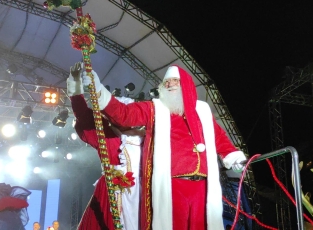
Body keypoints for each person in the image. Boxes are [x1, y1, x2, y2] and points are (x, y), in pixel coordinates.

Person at [83, 65, 247, 230]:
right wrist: (98, 90)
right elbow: (124, 114)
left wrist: (233, 156)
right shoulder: (155, 108)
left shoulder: (203, 111)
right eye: (166, 82)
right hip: (174, 187)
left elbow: (219, 137)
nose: (170, 84)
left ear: (186, 84)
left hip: (202, 188)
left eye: (175, 80)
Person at [67, 62, 144, 230]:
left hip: (143, 194)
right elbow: (82, 114)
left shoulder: (147, 137)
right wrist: (76, 83)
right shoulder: (106, 134)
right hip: (112, 191)